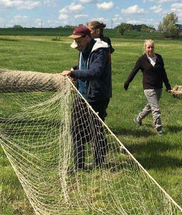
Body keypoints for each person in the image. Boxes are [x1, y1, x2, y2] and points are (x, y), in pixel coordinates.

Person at [61, 26, 112, 171]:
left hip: (97, 96)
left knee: (96, 130)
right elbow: (84, 66)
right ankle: (79, 165)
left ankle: (99, 162)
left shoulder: (101, 50)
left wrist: (74, 74)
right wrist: (74, 69)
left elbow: (95, 72)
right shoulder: (83, 49)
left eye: (78, 40)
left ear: (87, 37)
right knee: (76, 129)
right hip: (81, 94)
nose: (76, 44)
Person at [123, 39, 172, 134]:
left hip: (158, 87)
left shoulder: (159, 58)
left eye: (152, 47)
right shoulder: (142, 59)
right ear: (145, 48)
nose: (150, 49)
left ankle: (138, 118)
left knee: (150, 106)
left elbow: (163, 73)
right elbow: (134, 71)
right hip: (148, 87)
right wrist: (127, 82)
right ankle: (159, 128)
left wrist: (167, 85)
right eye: (148, 47)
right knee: (156, 108)